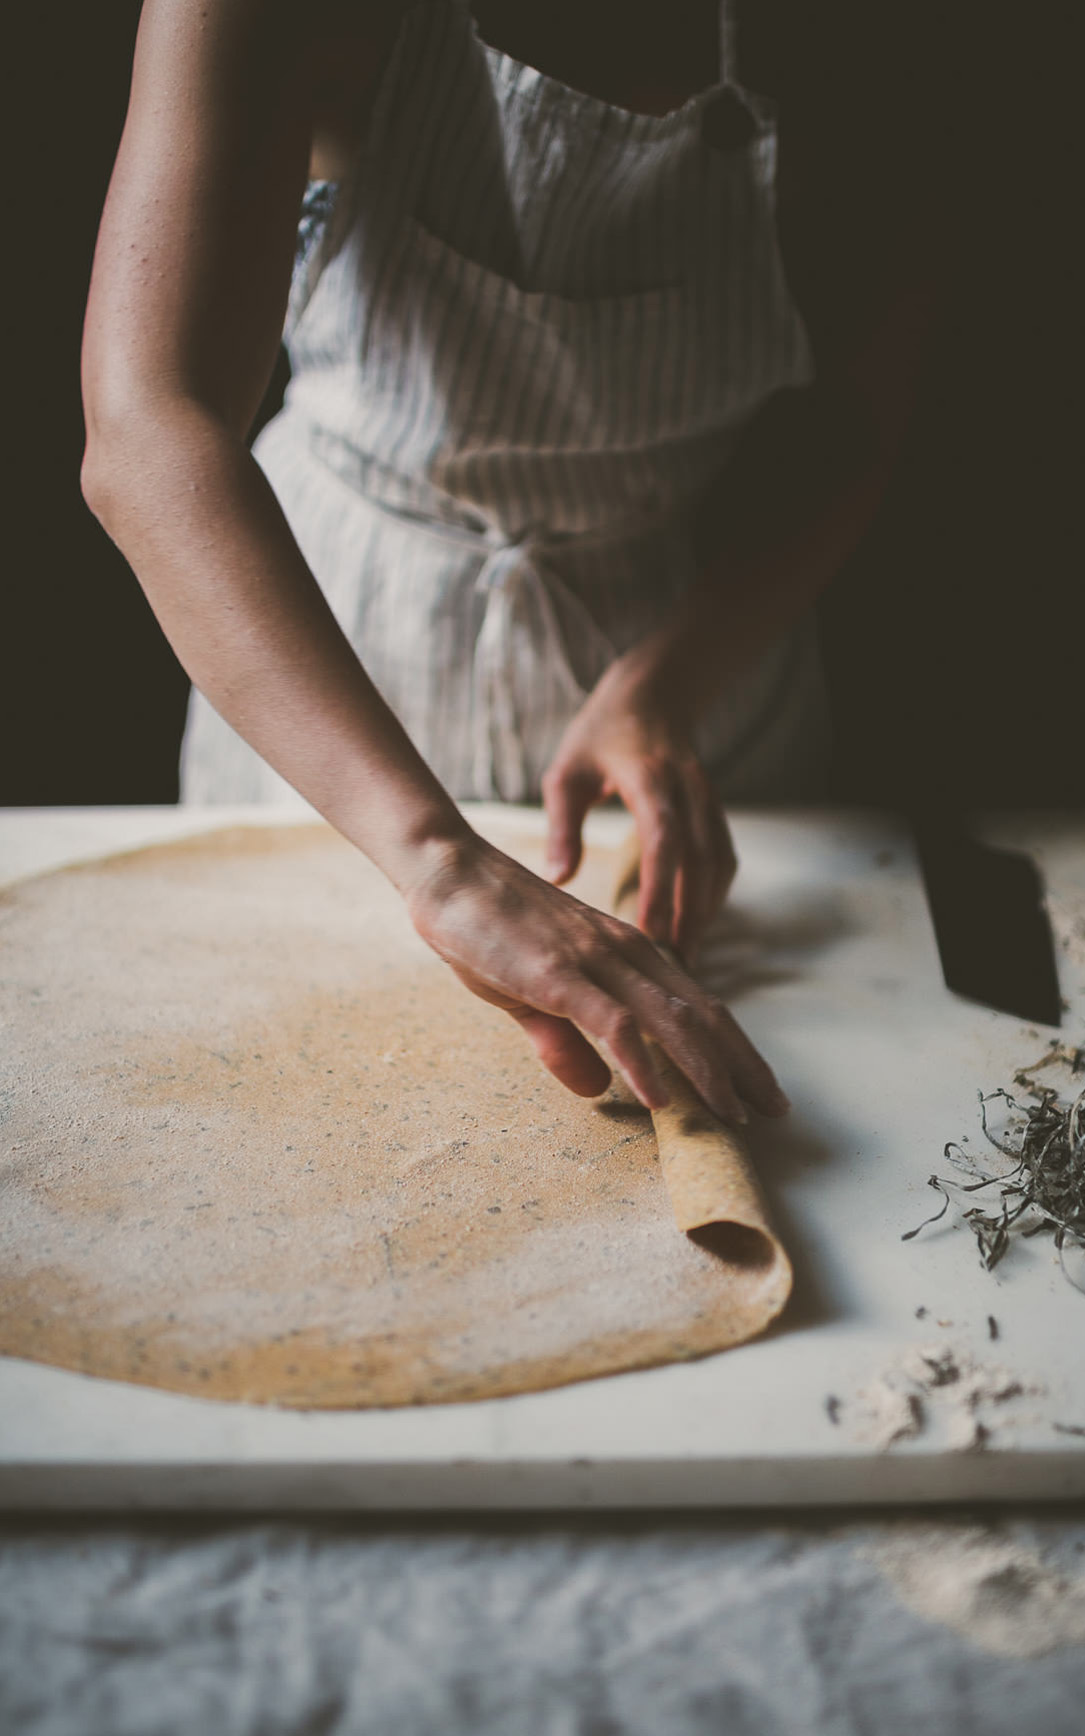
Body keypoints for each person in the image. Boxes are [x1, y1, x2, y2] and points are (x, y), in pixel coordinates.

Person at [81, 0, 931, 1122]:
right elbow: (149, 433)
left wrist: (668, 681)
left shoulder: (890, 32)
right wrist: (437, 858)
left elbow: (853, 431)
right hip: (335, 674)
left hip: (697, 676)